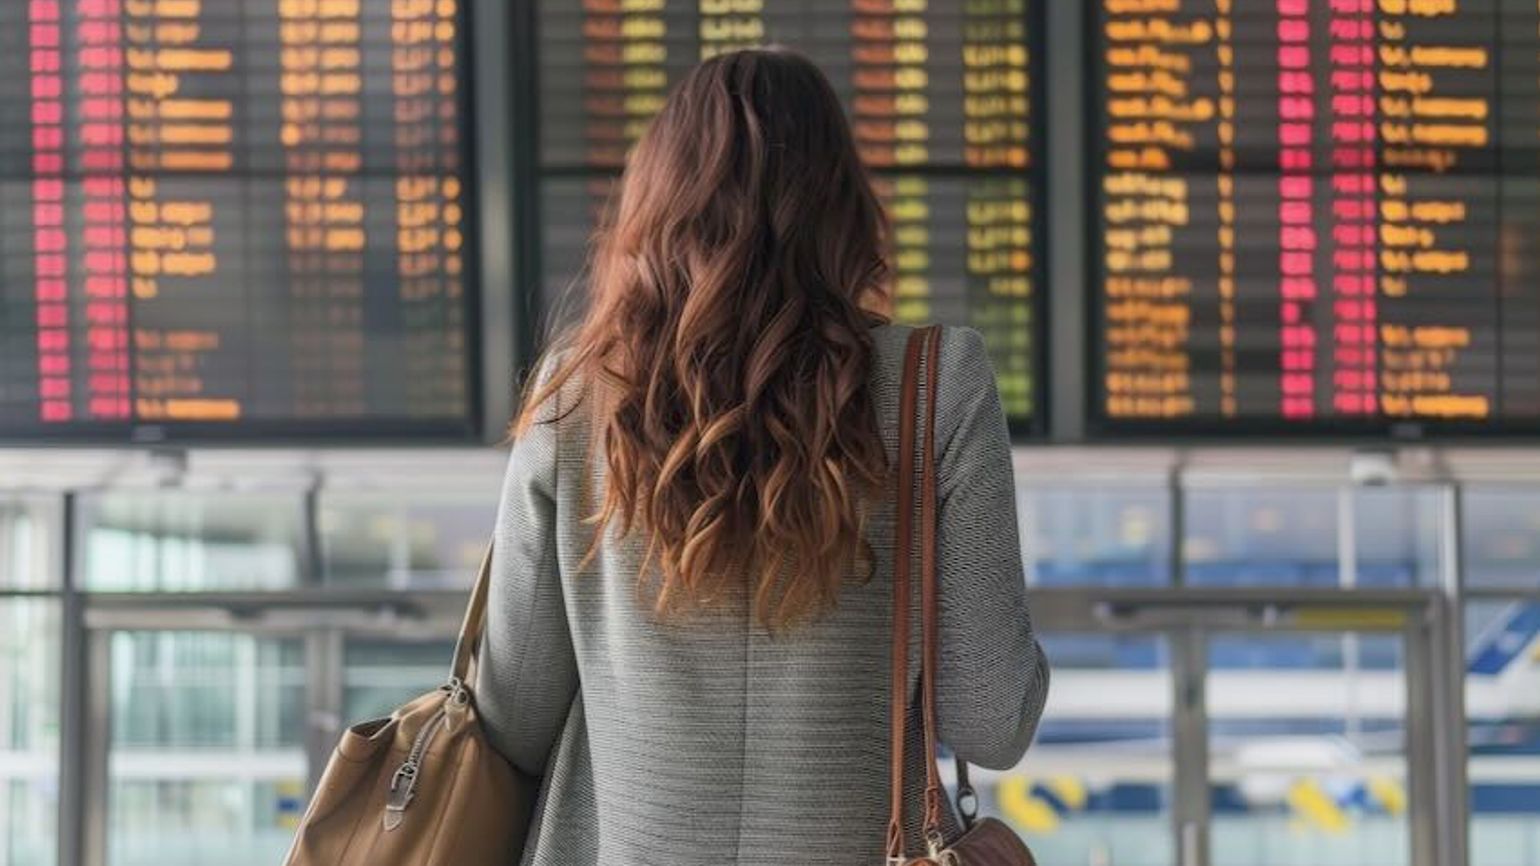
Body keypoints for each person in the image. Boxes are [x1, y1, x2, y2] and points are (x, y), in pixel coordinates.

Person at [476, 47, 1048, 866]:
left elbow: (513, 717)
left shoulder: (576, 398)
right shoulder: (934, 384)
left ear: (656, 205)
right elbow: (993, 721)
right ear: (844, 205)